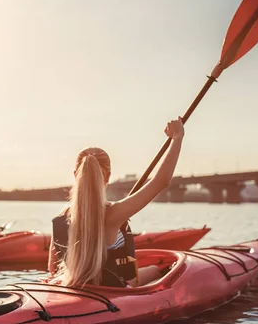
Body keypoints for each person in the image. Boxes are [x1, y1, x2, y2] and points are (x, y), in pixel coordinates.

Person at [48, 117, 185, 288]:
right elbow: (161, 182)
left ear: (76, 174)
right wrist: (177, 138)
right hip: (112, 291)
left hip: (71, 287)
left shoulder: (60, 218)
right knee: (158, 270)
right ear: (108, 177)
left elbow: (52, 269)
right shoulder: (114, 214)